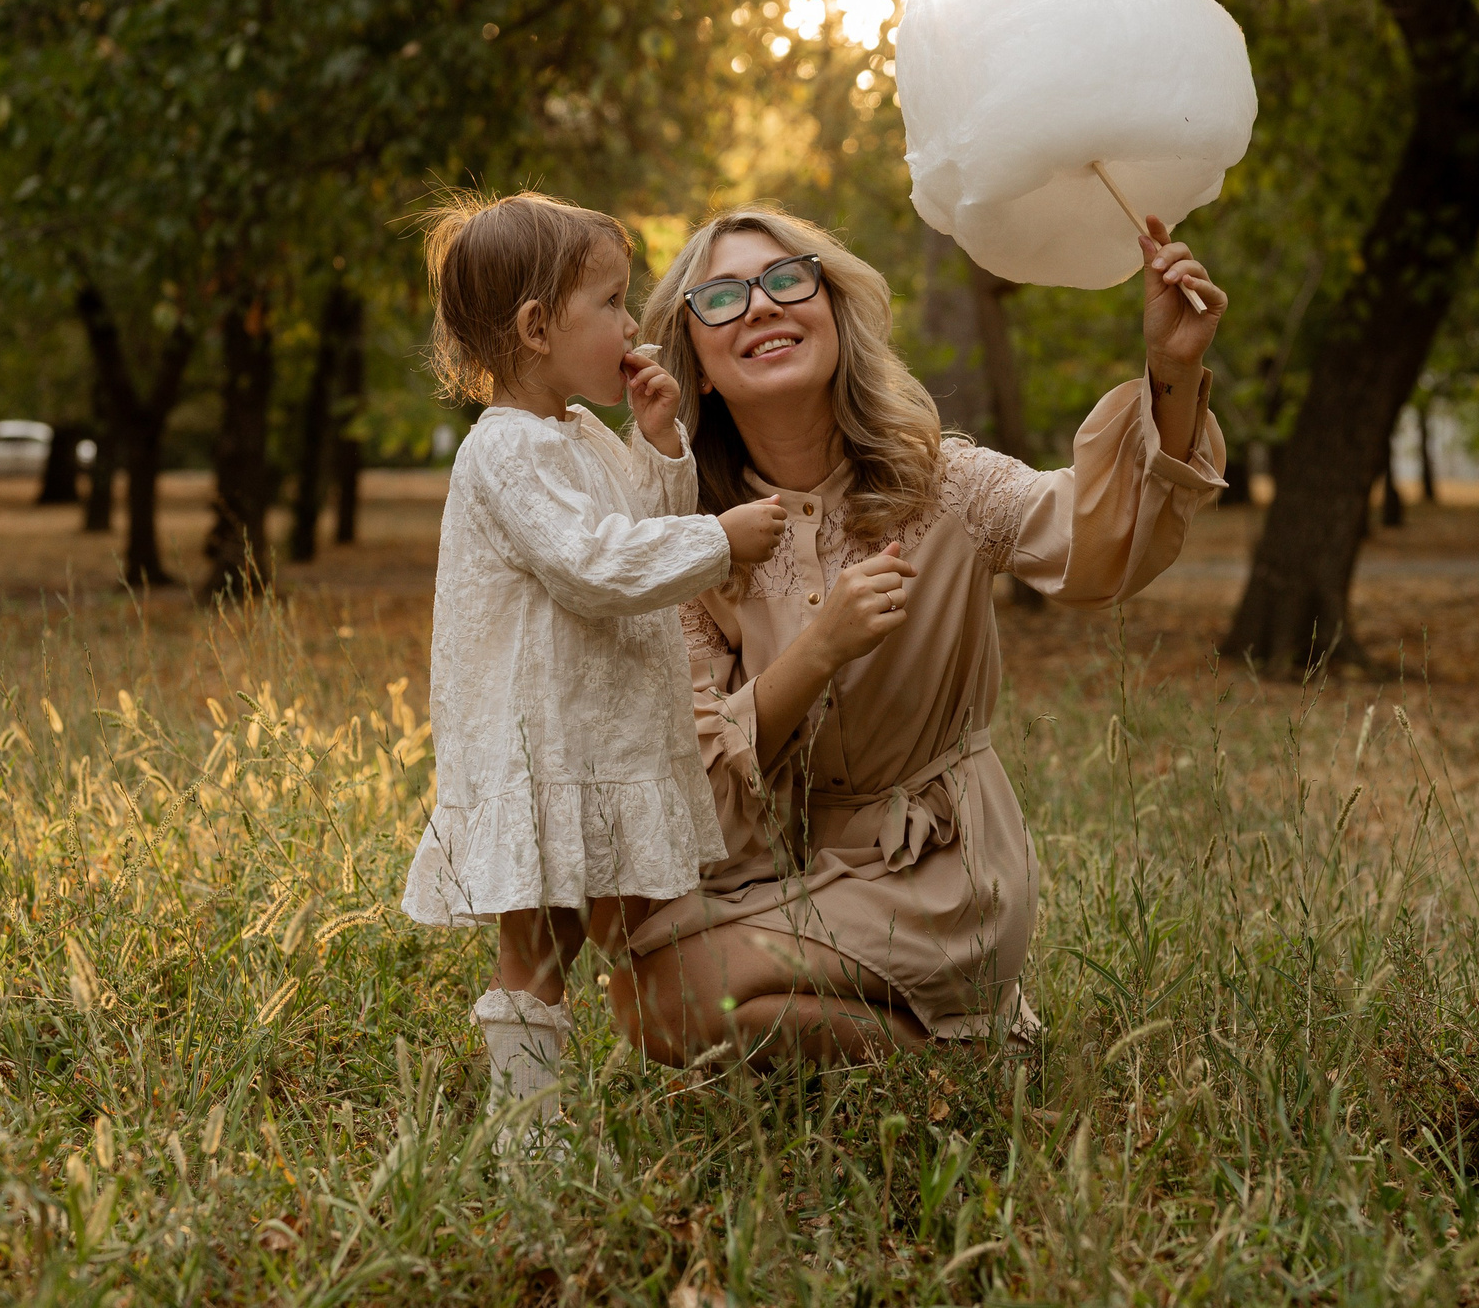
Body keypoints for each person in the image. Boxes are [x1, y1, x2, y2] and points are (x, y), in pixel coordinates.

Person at [613, 205, 1227, 1066]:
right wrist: (818, 650)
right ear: (699, 368)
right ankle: (946, 1043)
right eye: (722, 297)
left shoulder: (943, 483)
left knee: (670, 999)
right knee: (638, 982)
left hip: (941, 867)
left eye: (788, 279)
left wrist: (1171, 371)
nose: (762, 305)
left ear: (833, 313)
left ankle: (962, 1049)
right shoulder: (695, 542)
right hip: (790, 860)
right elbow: (704, 798)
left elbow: (1101, 546)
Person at [398, 191, 788, 1138]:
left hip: (601, 736)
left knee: (633, 919)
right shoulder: (504, 449)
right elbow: (594, 564)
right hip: (543, 745)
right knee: (539, 940)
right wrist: (721, 540)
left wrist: (657, 446)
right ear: (538, 328)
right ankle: (524, 1126)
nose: (631, 324)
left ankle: (699, 1049)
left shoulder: (574, 434)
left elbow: (638, 534)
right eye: (611, 303)